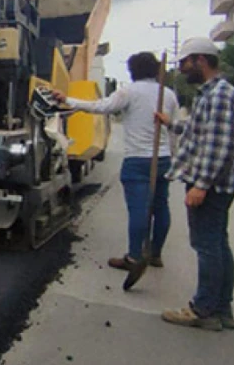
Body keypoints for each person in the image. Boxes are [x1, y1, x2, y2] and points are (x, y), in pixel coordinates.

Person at [52, 52, 179, 271]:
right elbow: (173, 128)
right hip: (163, 158)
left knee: (139, 210)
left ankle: (134, 257)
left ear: (132, 71)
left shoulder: (128, 92)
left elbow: (101, 107)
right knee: (161, 206)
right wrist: (173, 157)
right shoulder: (168, 94)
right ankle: (156, 254)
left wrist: (67, 100)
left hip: (138, 161)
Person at [155, 37, 234, 332]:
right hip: (218, 183)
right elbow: (197, 130)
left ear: (201, 60)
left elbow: (216, 146)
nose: (182, 69)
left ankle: (203, 310)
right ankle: (222, 310)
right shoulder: (211, 95)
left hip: (211, 184)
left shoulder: (219, 96)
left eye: (185, 63)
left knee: (207, 245)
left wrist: (201, 184)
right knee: (218, 244)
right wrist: (170, 123)